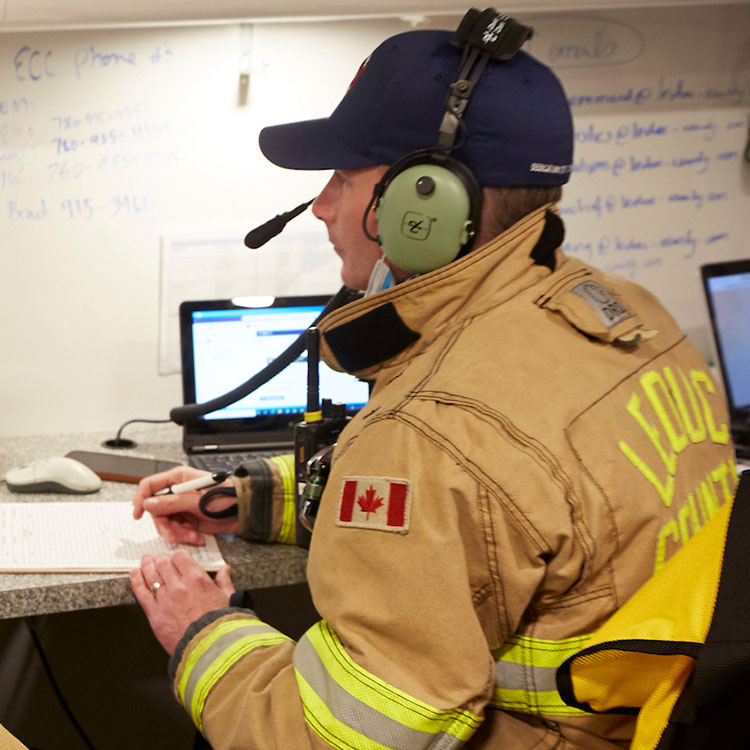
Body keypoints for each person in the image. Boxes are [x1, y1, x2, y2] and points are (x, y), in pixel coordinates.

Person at [130, 13, 738, 749]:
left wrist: (203, 634)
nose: (321, 206)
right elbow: (494, 518)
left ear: (426, 206)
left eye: (344, 179)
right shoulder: (625, 316)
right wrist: (255, 498)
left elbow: (344, 738)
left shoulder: (434, 428)